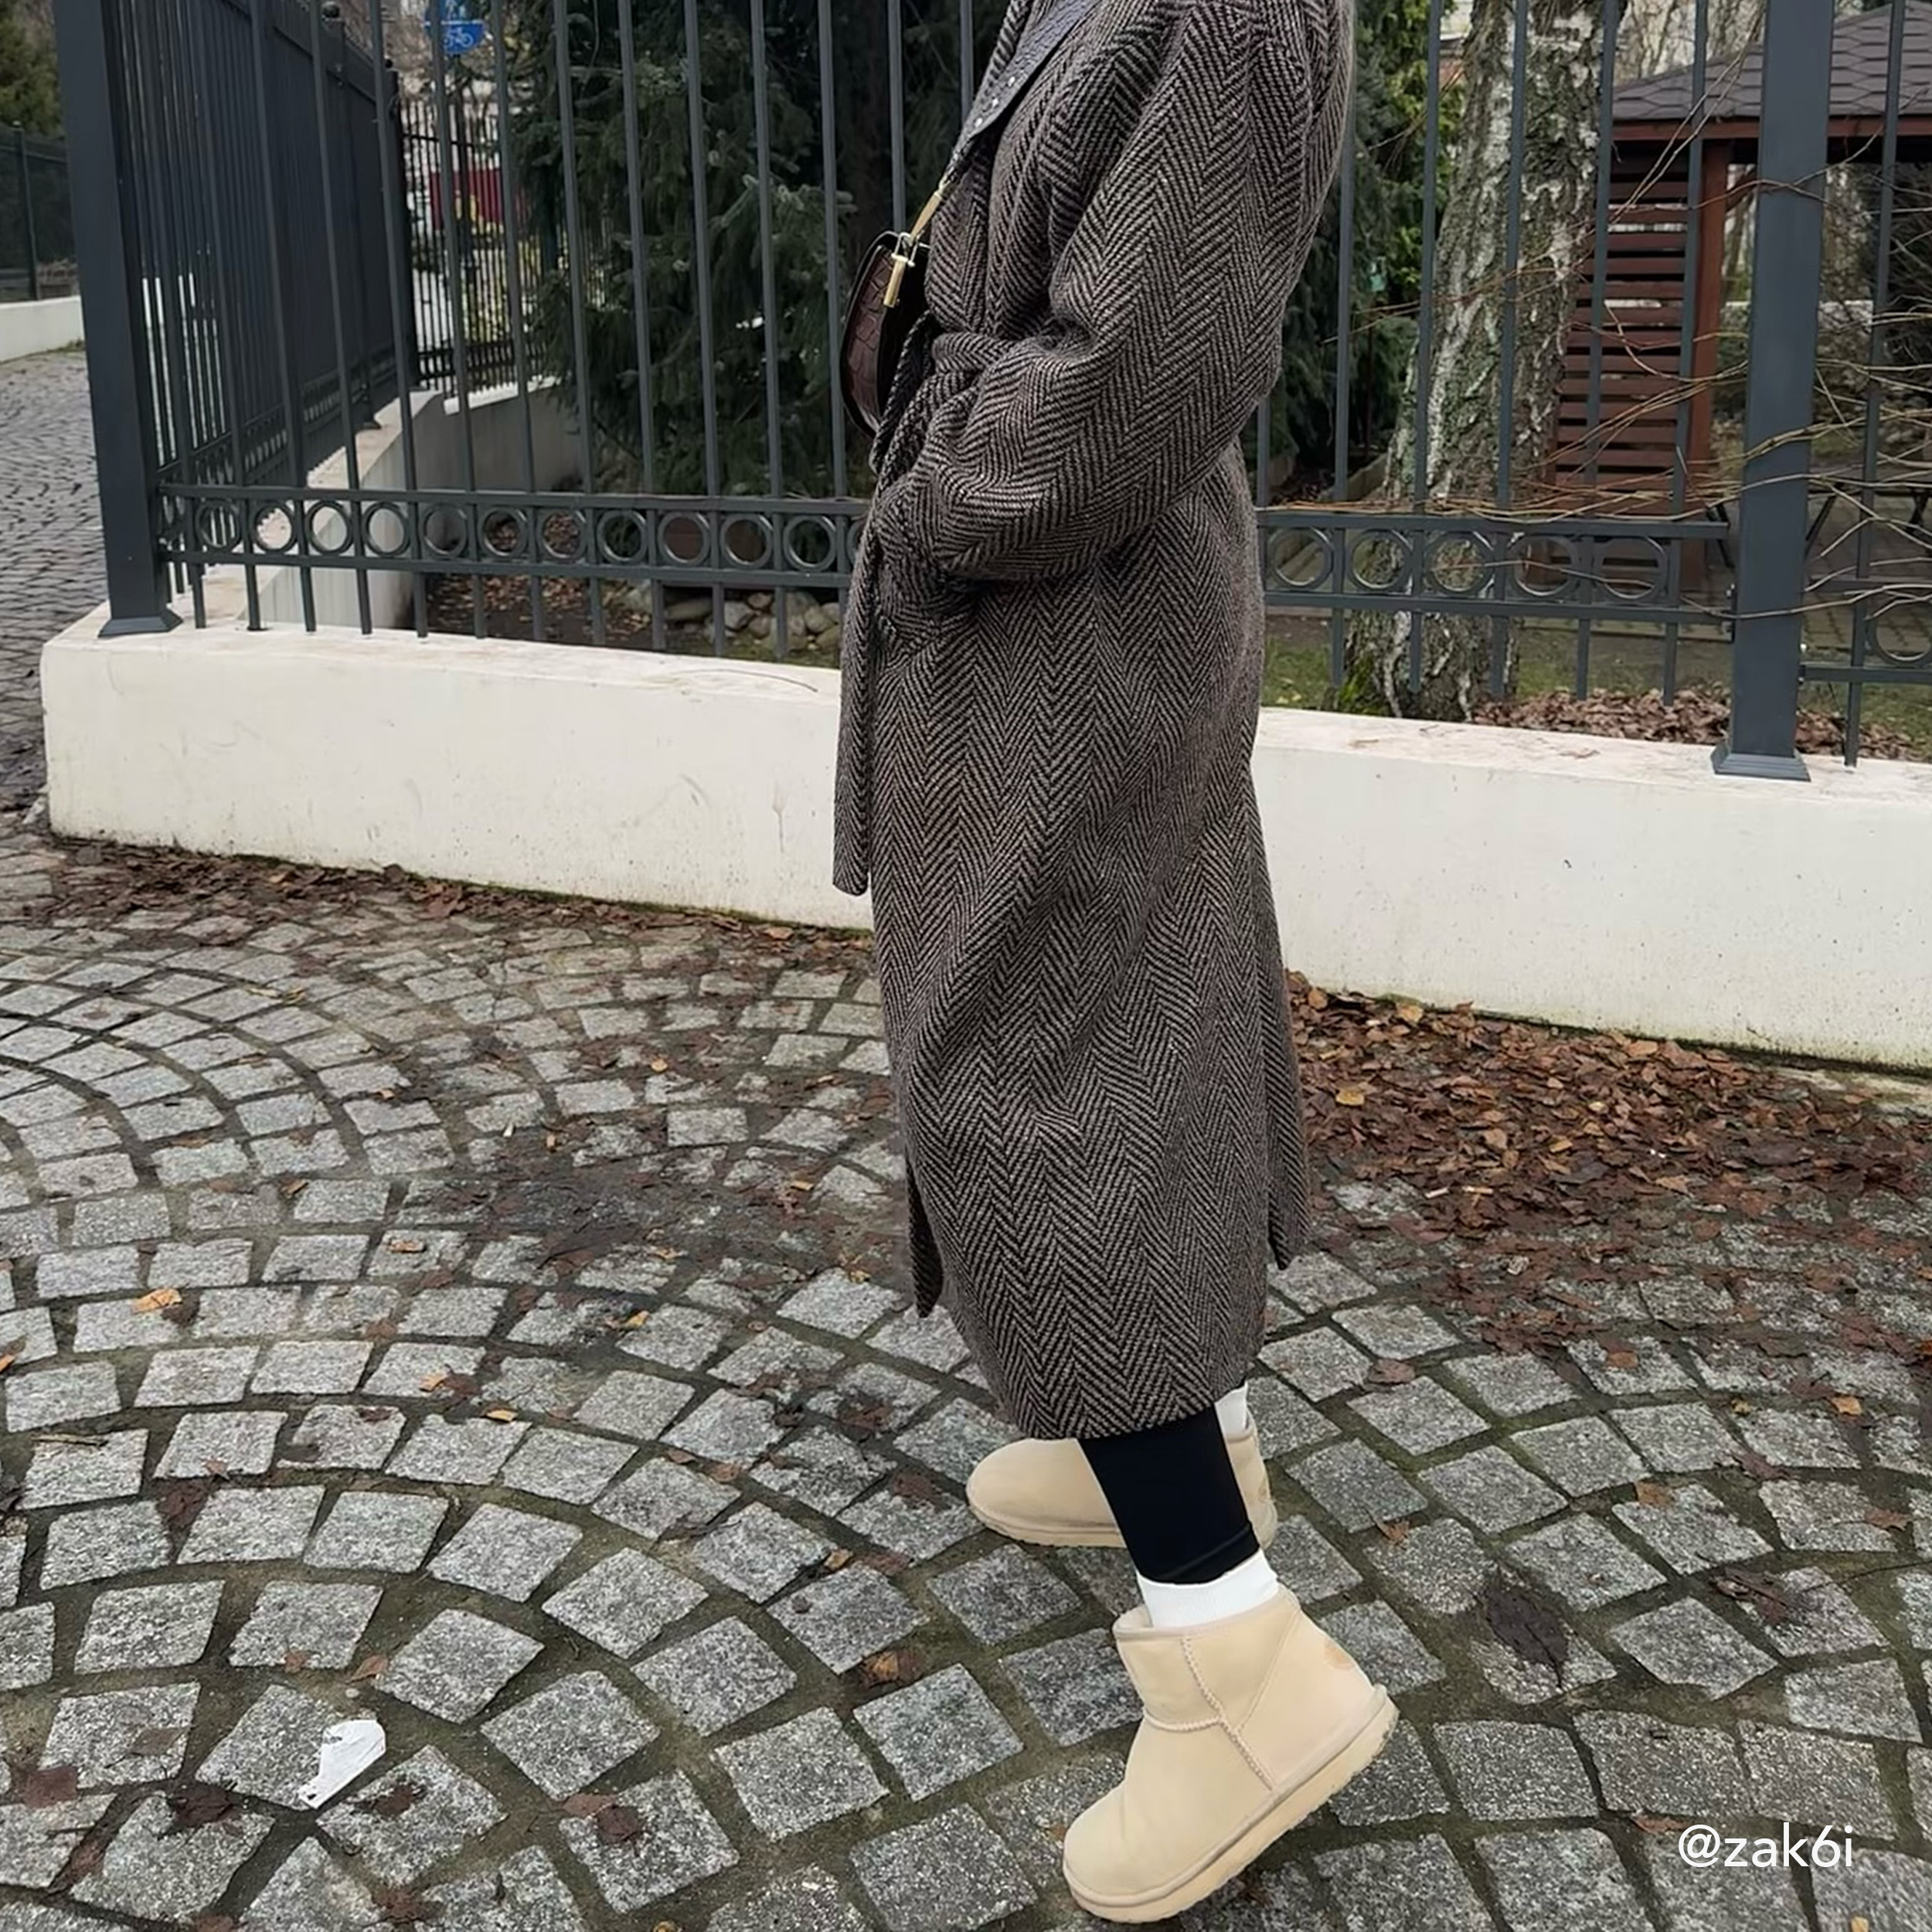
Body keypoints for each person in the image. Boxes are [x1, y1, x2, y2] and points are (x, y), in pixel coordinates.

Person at [832, 0, 1392, 1917]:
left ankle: (1236, 1663)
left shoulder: (1220, 15)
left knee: (1022, 1084)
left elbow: (1133, 373)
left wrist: (934, 509)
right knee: (1136, 1016)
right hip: (1080, 624)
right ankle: (1172, 1432)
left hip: (1070, 625)